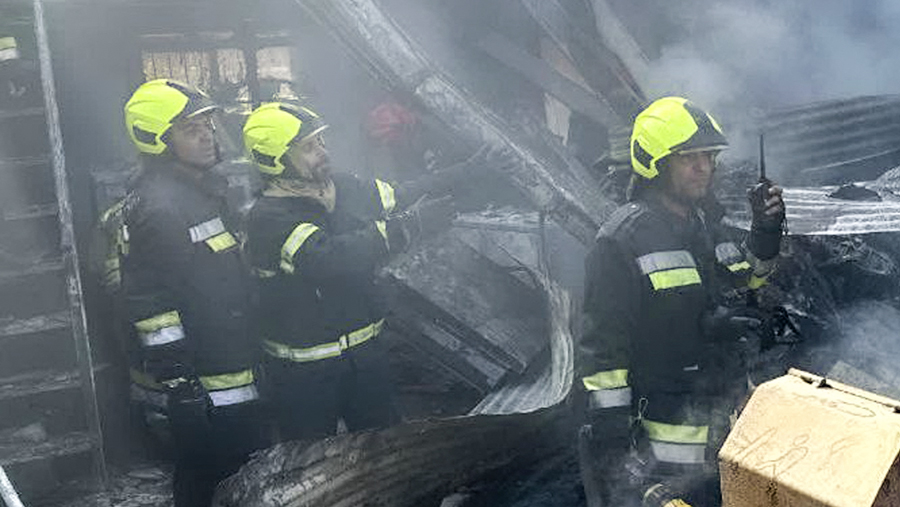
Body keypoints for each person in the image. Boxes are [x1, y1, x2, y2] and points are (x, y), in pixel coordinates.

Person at [242, 102, 504, 441]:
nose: (322, 152)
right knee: (309, 458)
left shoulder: (341, 187)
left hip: (366, 359)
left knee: (385, 446)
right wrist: (406, 228)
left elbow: (401, 194)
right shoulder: (268, 218)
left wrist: (470, 170)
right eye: (308, 148)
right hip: (305, 373)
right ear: (273, 159)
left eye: (320, 141)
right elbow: (329, 257)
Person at [576, 96, 785, 506]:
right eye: (689, 158)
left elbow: (749, 282)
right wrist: (618, 461)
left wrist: (765, 231)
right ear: (655, 164)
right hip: (668, 456)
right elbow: (603, 359)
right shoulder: (621, 241)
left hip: (728, 436)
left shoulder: (705, 225)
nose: (704, 167)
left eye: (709, 156)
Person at [120, 79, 264, 507]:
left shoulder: (200, 189)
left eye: (208, 125)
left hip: (229, 362)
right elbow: (151, 304)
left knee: (237, 477)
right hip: (205, 381)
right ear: (157, 140)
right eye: (190, 129)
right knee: (206, 482)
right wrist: (181, 383)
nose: (208, 136)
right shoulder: (160, 207)